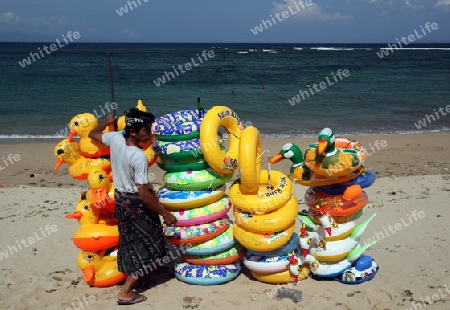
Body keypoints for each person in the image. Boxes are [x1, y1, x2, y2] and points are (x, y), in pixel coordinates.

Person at [88, 108, 177, 305]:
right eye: (146, 130)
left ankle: (139, 278)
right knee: (148, 246)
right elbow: (143, 195)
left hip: (122, 200)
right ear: (134, 132)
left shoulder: (115, 139)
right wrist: (165, 213)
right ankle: (126, 291)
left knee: (130, 242)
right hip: (137, 204)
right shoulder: (138, 156)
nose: (150, 134)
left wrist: (107, 121)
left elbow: (92, 133)